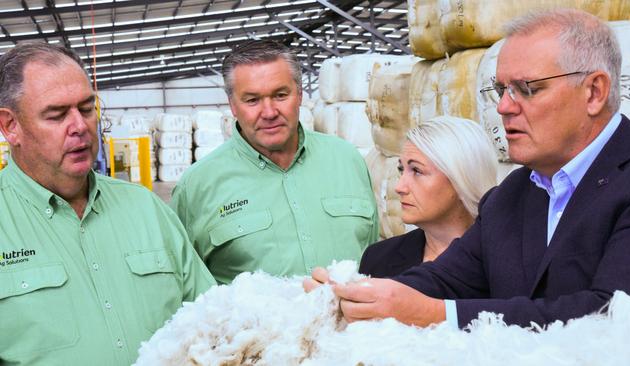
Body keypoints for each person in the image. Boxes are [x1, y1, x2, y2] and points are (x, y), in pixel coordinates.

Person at [306, 8, 630, 328]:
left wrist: (436, 314)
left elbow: (615, 313)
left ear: (593, 92)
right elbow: (446, 278)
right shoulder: (513, 194)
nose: (503, 106)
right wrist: (354, 293)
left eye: (526, 89)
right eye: (501, 89)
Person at [0, 43, 215, 365]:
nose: (81, 126)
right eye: (57, 115)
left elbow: (213, 315)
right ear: (10, 126)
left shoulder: (146, 207)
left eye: (87, 109)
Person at [171, 40, 379, 284]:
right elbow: (185, 283)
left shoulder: (347, 160)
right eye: (252, 100)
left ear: (299, 95)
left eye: (280, 95)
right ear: (232, 106)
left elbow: (374, 254)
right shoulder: (197, 186)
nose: (269, 112)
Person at [359, 116, 497, 278]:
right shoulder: (379, 259)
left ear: (462, 179)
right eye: (401, 170)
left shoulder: (504, 264)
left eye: (417, 171)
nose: (399, 188)